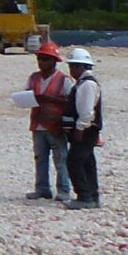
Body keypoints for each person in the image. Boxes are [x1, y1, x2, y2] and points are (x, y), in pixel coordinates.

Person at [25, 39, 72, 201]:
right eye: (39, 59)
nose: (41, 62)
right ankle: (42, 189)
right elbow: (27, 95)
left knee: (61, 159)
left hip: (55, 125)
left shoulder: (64, 80)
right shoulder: (33, 78)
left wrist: (50, 99)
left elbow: (71, 102)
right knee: (40, 159)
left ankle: (64, 190)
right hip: (38, 125)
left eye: (45, 59)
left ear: (54, 61)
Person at [64, 47, 103, 210]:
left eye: (73, 66)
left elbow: (87, 111)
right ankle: (93, 196)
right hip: (86, 129)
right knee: (87, 162)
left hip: (85, 130)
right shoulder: (83, 83)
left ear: (82, 67)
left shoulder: (87, 85)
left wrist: (80, 129)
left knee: (74, 161)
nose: (71, 70)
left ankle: (84, 196)